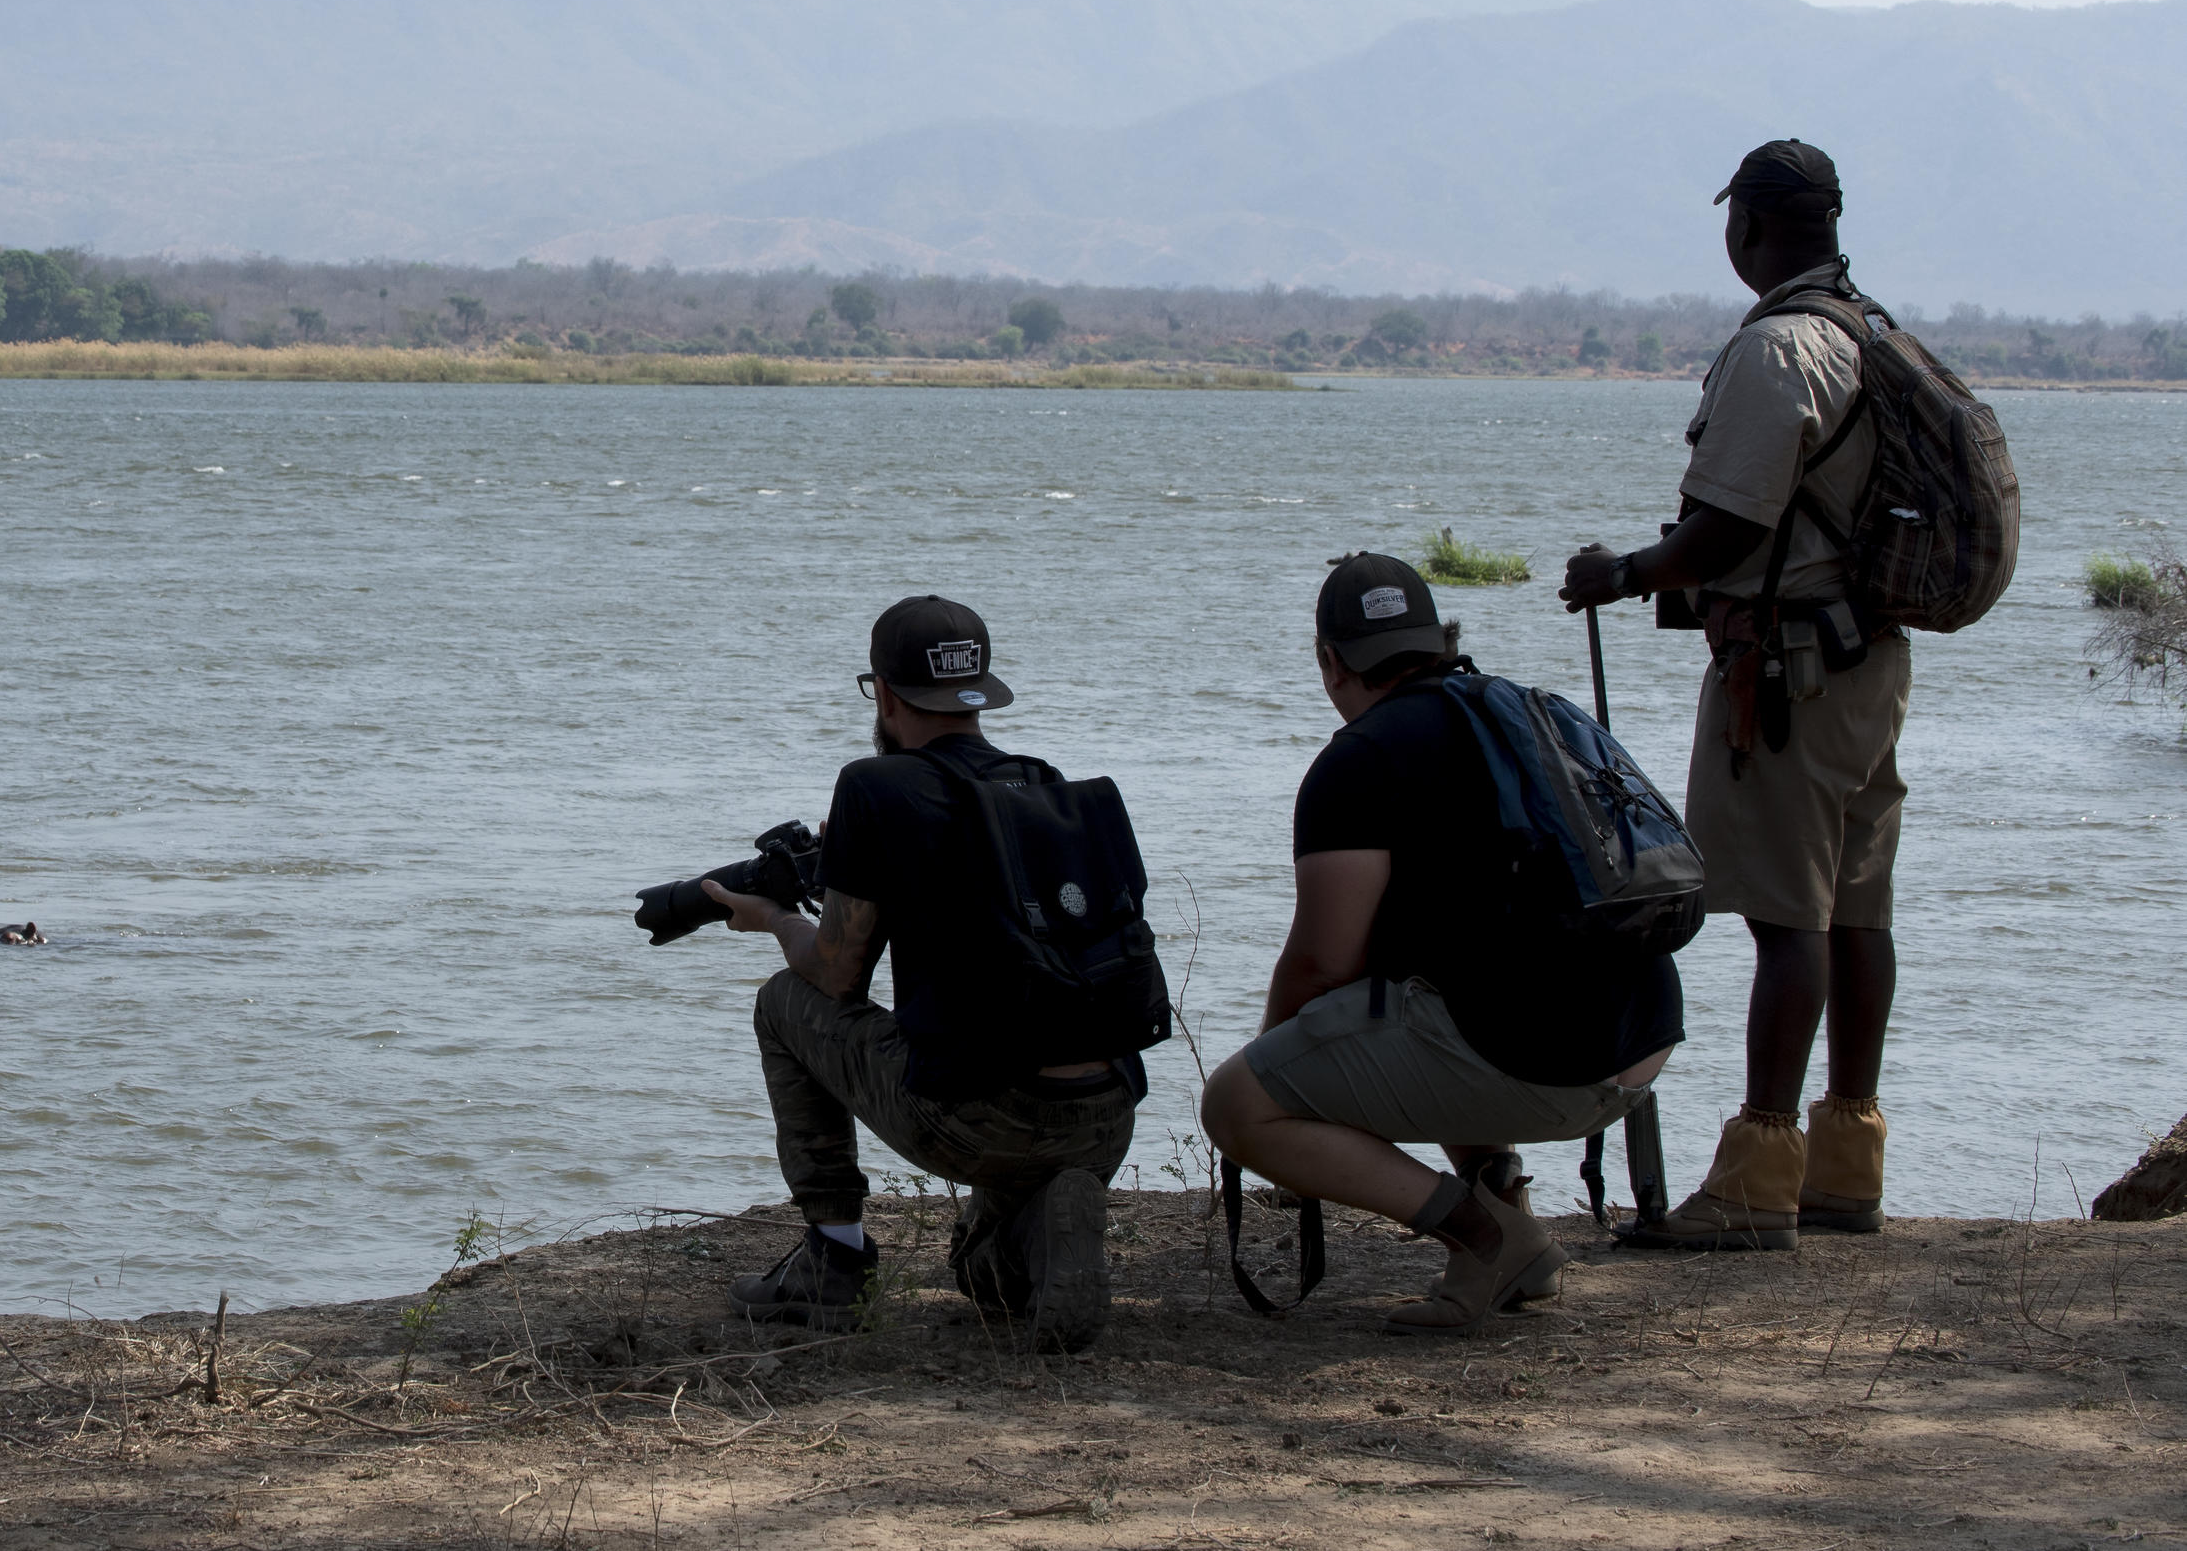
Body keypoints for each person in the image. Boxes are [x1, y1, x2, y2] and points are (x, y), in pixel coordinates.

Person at [1561, 139, 1906, 1250]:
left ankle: (1759, 1175)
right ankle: (1844, 1162)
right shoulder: (1870, 331)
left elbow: (1730, 524)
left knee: (1784, 916)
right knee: (1856, 911)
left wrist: (1622, 573)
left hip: (1788, 672)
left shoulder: (1777, 350)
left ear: (1747, 229)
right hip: (1867, 661)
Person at [1200, 555, 1683, 1331]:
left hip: (1544, 1065)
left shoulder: (1359, 760)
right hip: (1645, 1043)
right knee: (1431, 993)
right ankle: (1512, 1218)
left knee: (1235, 1104)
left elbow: (1324, 962)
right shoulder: (1529, 712)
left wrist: (1274, 1063)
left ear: (1330, 661)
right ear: (1441, 639)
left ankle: (1480, 1238)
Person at [706, 595, 1144, 1352]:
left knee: (784, 1001)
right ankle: (1049, 1222)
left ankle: (834, 1260)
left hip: (979, 1119)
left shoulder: (875, 787)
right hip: (1104, 1113)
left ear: (882, 690)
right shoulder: (1043, 781)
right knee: (981, 1275)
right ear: (978, 689)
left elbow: (838, 975)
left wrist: (775, 919)